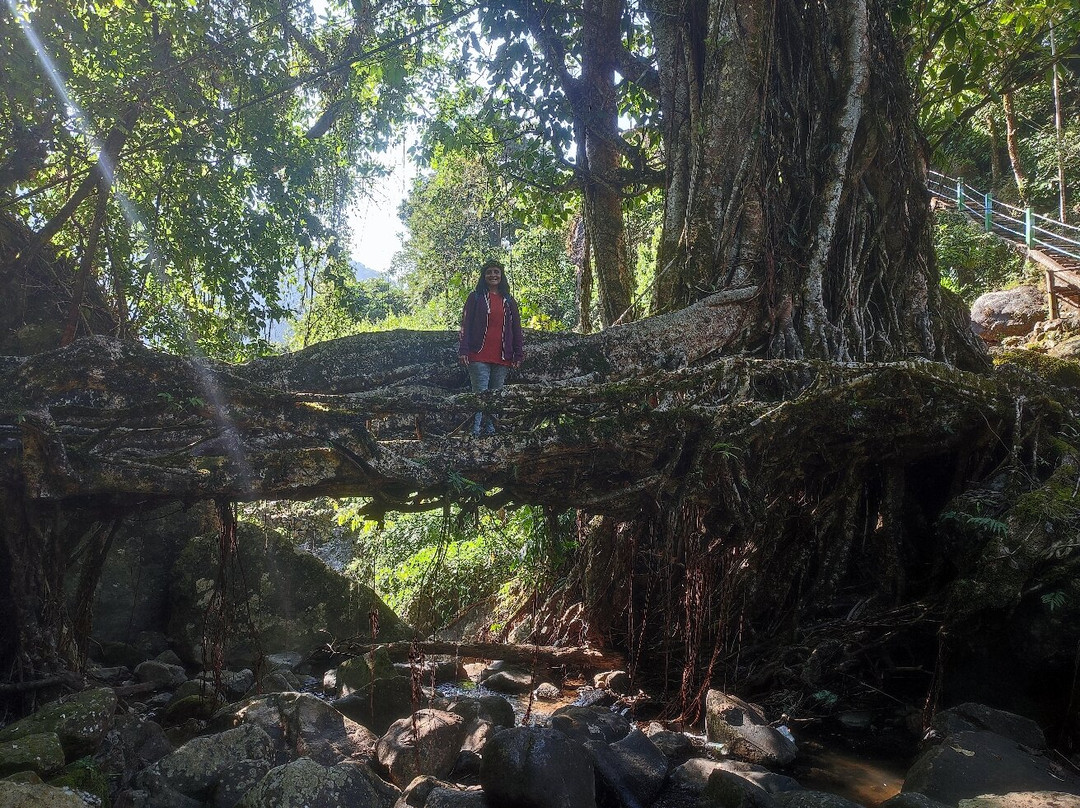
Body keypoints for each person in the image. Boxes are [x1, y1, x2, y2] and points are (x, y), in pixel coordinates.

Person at [458, 259, 525, 436]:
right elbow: (465, 325)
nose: (493, 275)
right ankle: (475, 432)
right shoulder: (476, 297)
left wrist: (518, 354)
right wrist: (464, 350)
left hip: (503, 357)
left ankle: (491, 431)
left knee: (495, 397)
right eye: (489, 272)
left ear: (501, 276)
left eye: (496, 272)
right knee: (480, 395)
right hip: (478, 354)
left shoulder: (509, 301)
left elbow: (516, 328)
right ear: (484, 276)